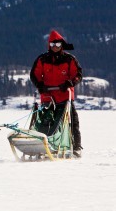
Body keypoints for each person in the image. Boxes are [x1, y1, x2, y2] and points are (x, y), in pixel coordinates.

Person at [30, 30, 83, 158]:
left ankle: (77, 147)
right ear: (49, 45)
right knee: (45, 122)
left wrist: (69, 83)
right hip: (48, 97)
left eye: (58, 45)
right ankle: (42, 145)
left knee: (72, 122)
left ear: (62, 45)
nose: (55, 47)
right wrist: (40, 85)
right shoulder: (42, 59)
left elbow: (78, 75)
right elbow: (34, 75)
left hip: (65, 97)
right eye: (53, 45)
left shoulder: (69, 59)